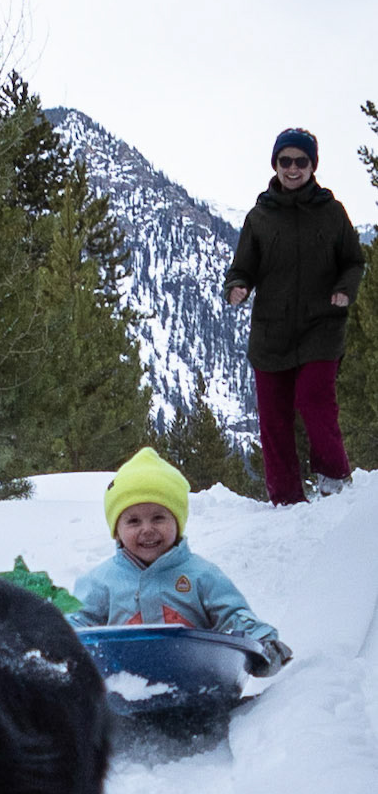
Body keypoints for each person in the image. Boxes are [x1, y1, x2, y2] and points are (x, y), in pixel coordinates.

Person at [224, 128, 364, 507]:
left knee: (314, 398)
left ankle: (334, 477)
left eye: (301, 161)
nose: (292, 168)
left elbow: (353, 260)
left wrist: (344, 290)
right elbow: (242, 267)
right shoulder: (260, 216)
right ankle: (285, 498)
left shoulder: (332, 212)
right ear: (275, 164)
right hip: (272, 331)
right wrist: (237, 286)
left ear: (312, 166)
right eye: (285, 160)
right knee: (273, 417)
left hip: (322, 325)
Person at [69, 448, 290, 667]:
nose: (147, 529)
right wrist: (53, 645)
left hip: (198, 678)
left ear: (178, 523)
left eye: (158, 518)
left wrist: (262, 642)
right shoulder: (101, 581)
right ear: (117, 530)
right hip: (123, 683)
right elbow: (77, 621)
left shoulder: (201, 574)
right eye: (133, 521)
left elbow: (232, 615)